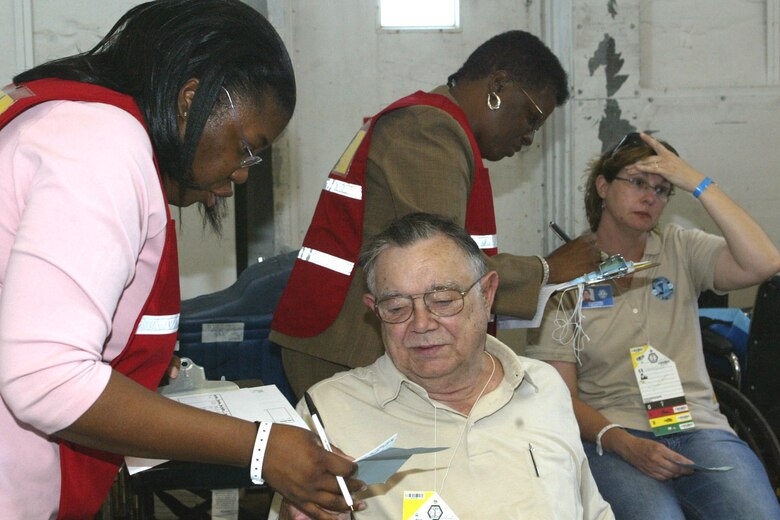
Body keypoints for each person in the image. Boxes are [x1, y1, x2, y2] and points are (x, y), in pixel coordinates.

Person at [0, 1, 362, 518]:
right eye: (246, 149)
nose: (242, 174)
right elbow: (46, 378)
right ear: (191, 100)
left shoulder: (74, 123)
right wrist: (260, 447)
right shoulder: (101, 147)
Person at [271, 30, 602, 399]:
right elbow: (438, 269)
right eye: (531, 118)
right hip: (348, 346)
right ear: (499, 85)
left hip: (354, 339)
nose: (529, 138)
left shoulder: (439, 129)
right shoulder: (429, 130)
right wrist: (548, 270)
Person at [275, 213, 614, 519]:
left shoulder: (541, 386)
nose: (422, 324)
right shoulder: (328, 414)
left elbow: (591, 511)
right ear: (373, 310)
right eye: (396, 307)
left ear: (487, 294)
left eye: (443, 301)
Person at [525, 132, 780, 519]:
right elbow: (559, 397)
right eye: (638, 183)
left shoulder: (680, 247)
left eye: (663, 189)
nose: (650, 197)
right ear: (603, 186)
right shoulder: (564, 272)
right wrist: (624, 444)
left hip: (696, 426)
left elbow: (764, 262)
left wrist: (697, 182)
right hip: (611, 436)